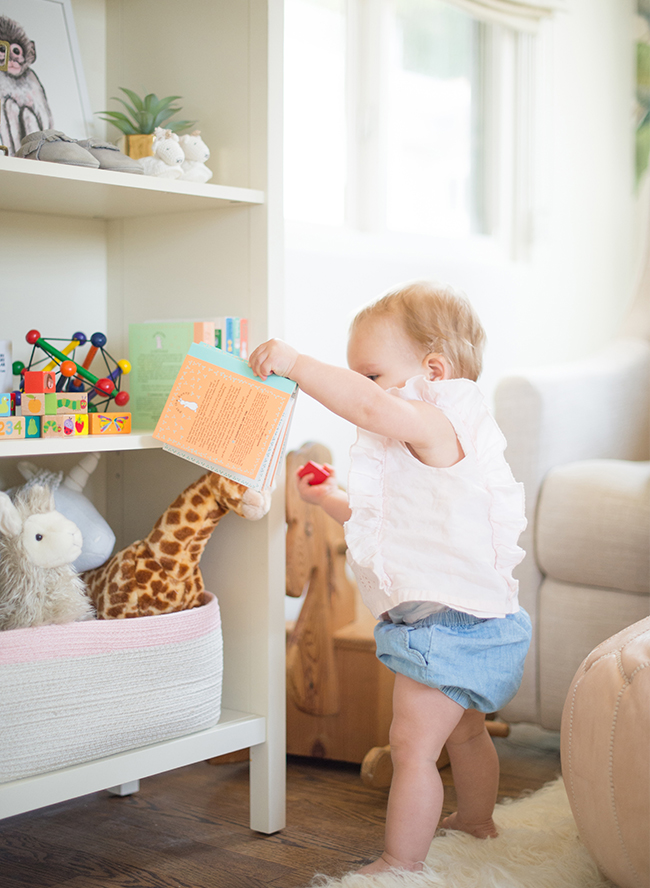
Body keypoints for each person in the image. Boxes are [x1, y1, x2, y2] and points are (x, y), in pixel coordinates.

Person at [249, 280, 531, 875]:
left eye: (371, 375)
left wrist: (297, 364)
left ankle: (401, 861)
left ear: (433, 370)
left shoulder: (438, 419)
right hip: (475, 620)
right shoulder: (429, 447)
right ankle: (477, 819)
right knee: (466, 735)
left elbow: (370, 408)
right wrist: (329, 499)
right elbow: (394, 524)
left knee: (411, 748)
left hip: (445, 629)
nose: (363, 389)